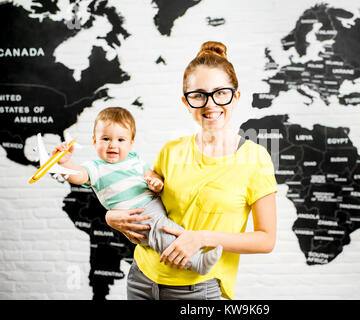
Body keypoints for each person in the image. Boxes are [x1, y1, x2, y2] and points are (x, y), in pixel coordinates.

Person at [105, 41, 278, 300]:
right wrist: (112, 218)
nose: (210, 104)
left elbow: (266, 240)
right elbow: (143, 204)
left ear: (236, 96)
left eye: (220, 93)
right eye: (198, 95)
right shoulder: (170, 151)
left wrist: (201, 238)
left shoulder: (256, 160)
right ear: (186, 102)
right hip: (141, 279)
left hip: (198, 290)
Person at [51, 107, 223, 276]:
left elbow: (151, 175)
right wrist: (65, 163)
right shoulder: (95, 168)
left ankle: (197, 244)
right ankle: (197, 262)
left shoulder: (135, 160)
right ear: (95, 141)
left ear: (131, 142)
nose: (113, 145)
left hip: (153, 205)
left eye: (120, 140)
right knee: (165, 231)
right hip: (137, 216)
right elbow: (77, 176)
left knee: (171, 230)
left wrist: (156, 183)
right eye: (105, 138)